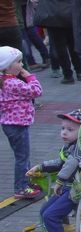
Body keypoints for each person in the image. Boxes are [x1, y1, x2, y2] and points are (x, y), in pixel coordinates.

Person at [0, 46, 42, 199]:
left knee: (22, 155)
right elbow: (36, 91)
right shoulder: (13, 83)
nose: (22, 65)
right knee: (22, 157)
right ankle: (21, 188)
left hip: (11, 124)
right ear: (7, 66)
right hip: (17, 125)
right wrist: (30, 77)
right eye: (18, 62)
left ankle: (27, 182)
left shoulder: (4, 81)